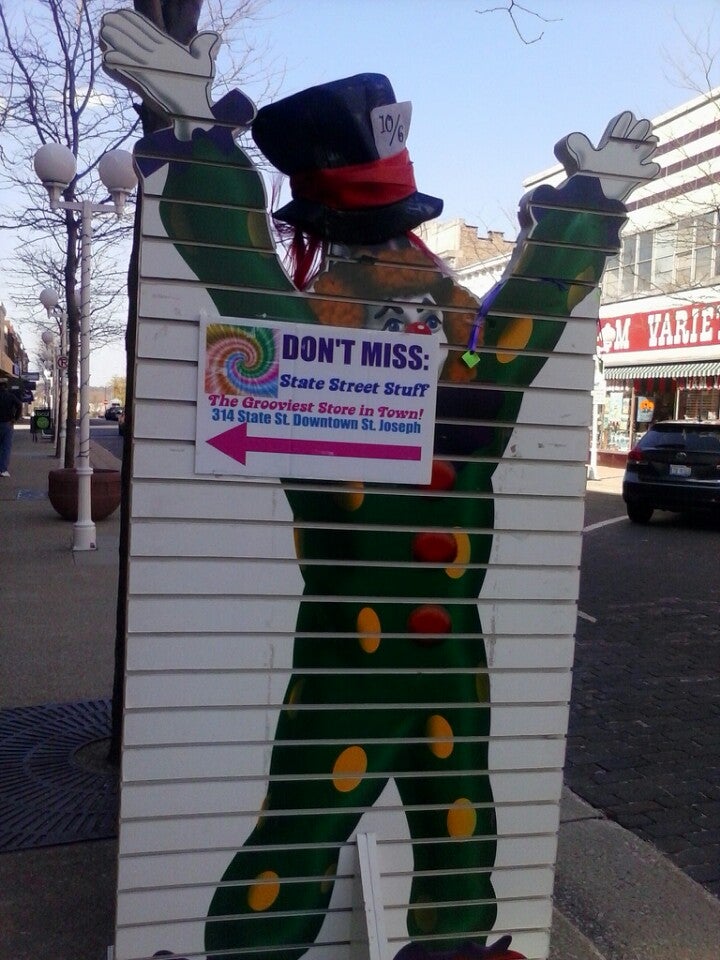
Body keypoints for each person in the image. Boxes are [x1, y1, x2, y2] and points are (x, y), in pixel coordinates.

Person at [100, 12, 658, 960]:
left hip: (449, 659)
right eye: (381, 243)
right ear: (333, 258)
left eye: (408, 242)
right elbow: (239, 267)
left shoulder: (467, 366)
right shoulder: (303, 360)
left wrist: (591, 202)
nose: (412, 269)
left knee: (458, 836)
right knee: (300, 836)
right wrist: (194, 136)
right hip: (350, 658)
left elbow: (530, 303)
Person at [0, 378, 22, 477]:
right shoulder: (10, 396)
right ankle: (3, 470)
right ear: (6, 386)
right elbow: (19, 405)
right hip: (7, 423)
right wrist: (15, 418)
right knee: (6, 447)